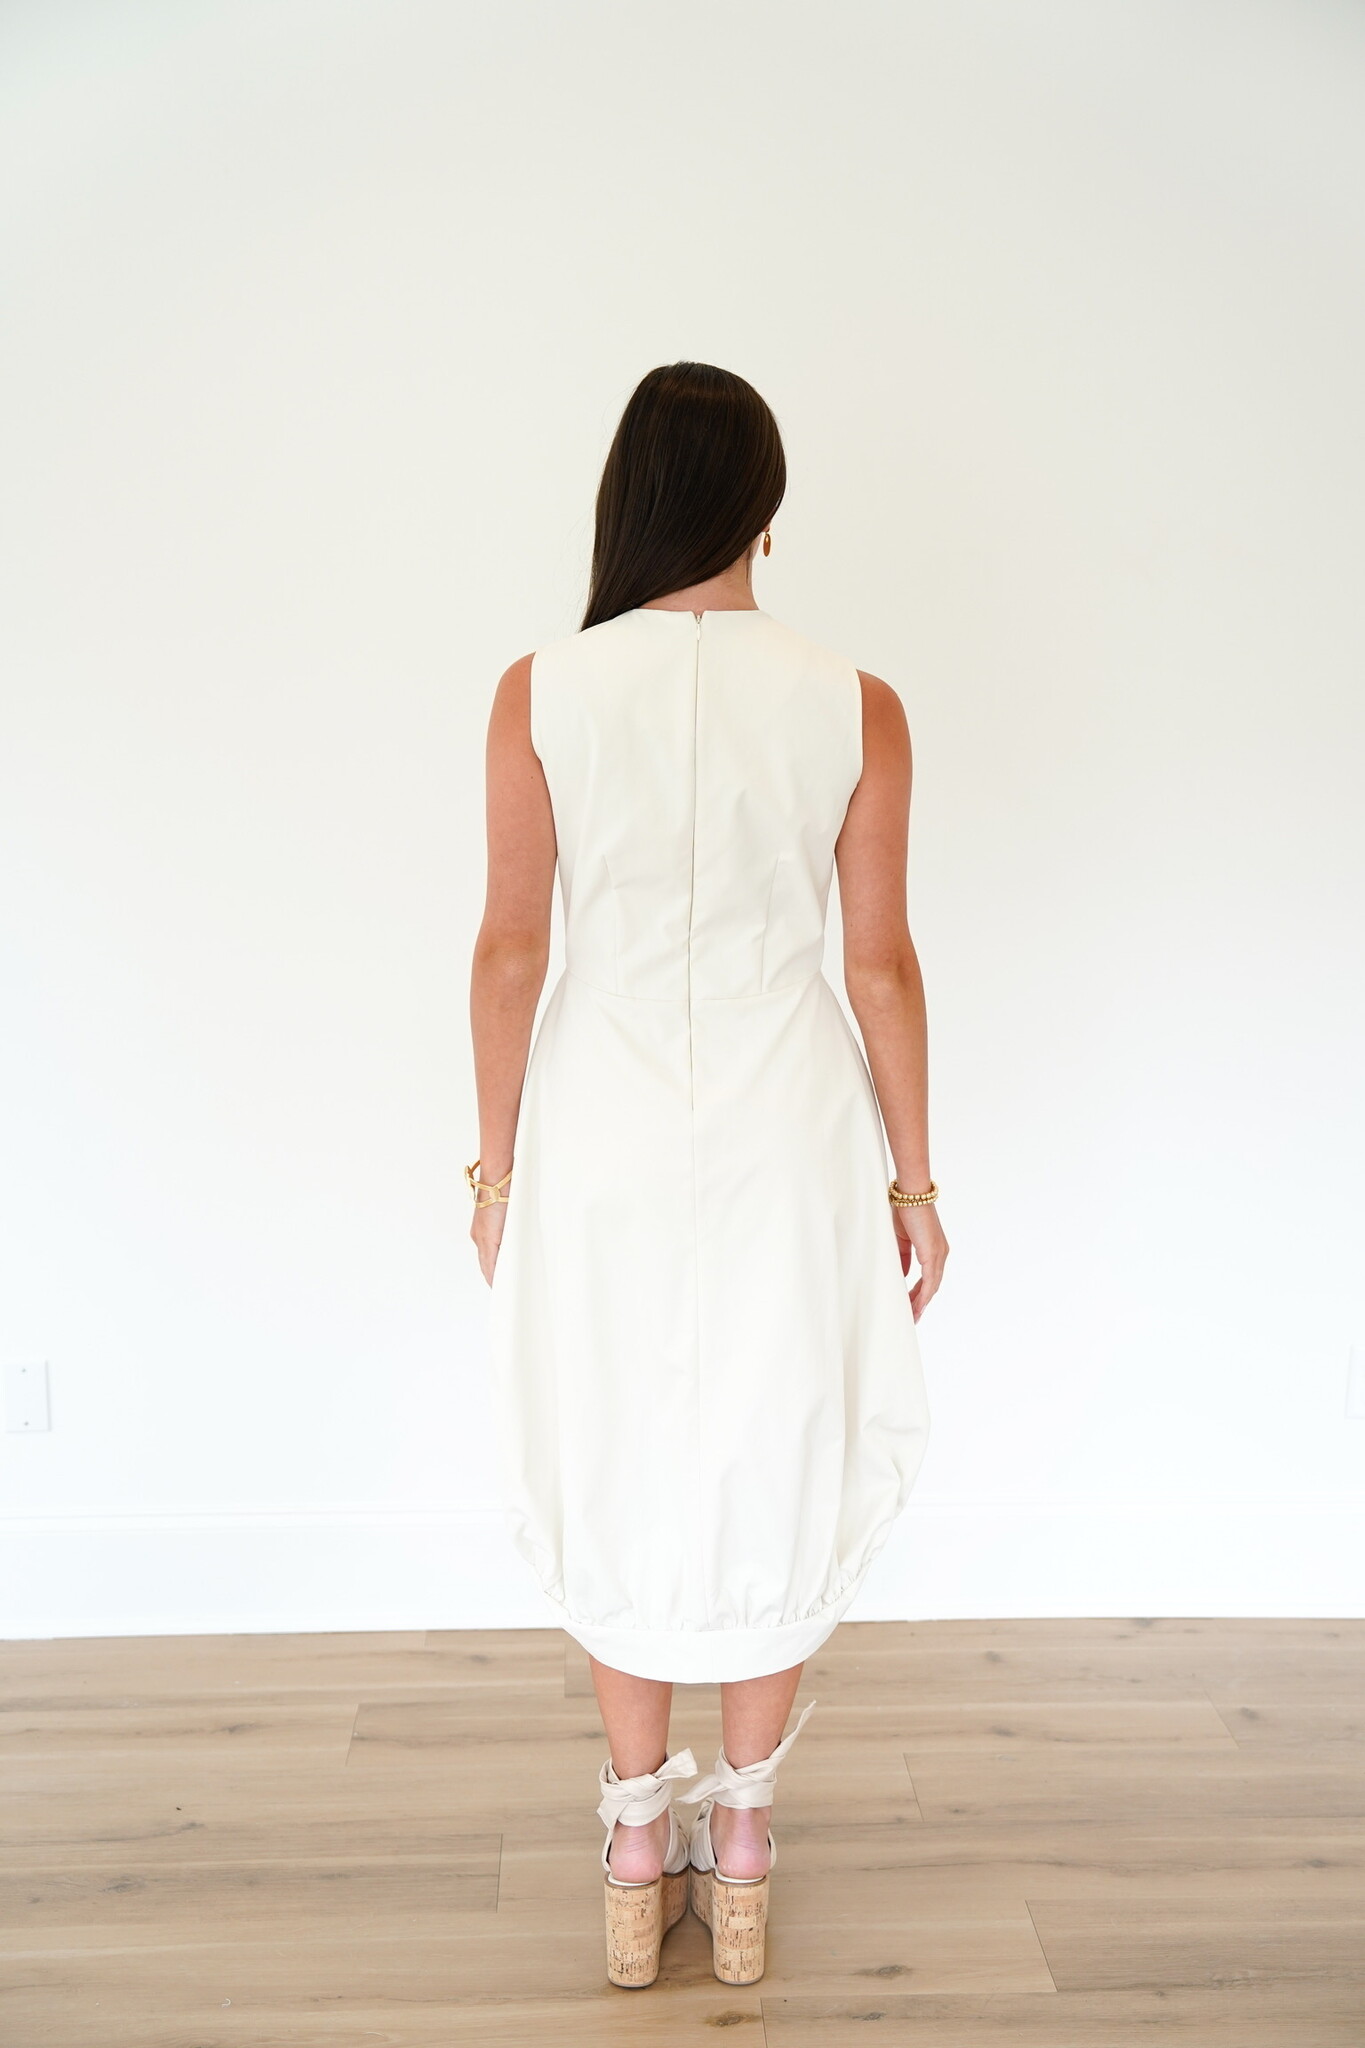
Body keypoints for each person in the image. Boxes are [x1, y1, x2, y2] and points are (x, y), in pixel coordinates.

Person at [467, 361, 947, 1988]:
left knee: (615, 1439)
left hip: (599, 1119)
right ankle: (737, 1841)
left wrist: (494, 1170)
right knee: (772, 1442)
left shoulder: (538, 691)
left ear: (628, 499)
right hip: (783, 1123)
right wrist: (913, 1184)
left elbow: (511, 950)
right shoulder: (853, 701)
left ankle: (631, 1843)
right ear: (762, 507)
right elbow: (876, 966)